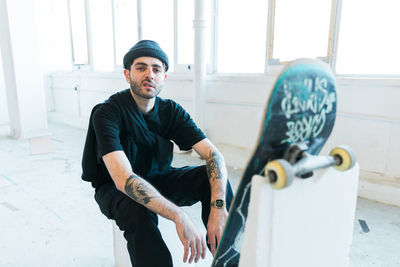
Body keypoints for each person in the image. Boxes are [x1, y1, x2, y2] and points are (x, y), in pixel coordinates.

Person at [81, 40, 234, 267]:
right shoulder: (108, 113)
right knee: (137, 211)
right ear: (127, 74)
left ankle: (229, 259)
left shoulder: (170, 111)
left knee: (209, 178)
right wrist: (180, 216)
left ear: (164, 76)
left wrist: (218, 207)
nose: (149, 74)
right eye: (141, 67)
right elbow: (124, 180)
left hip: (159, 177)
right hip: (115, 189)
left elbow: (214, 156)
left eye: (156, 69)